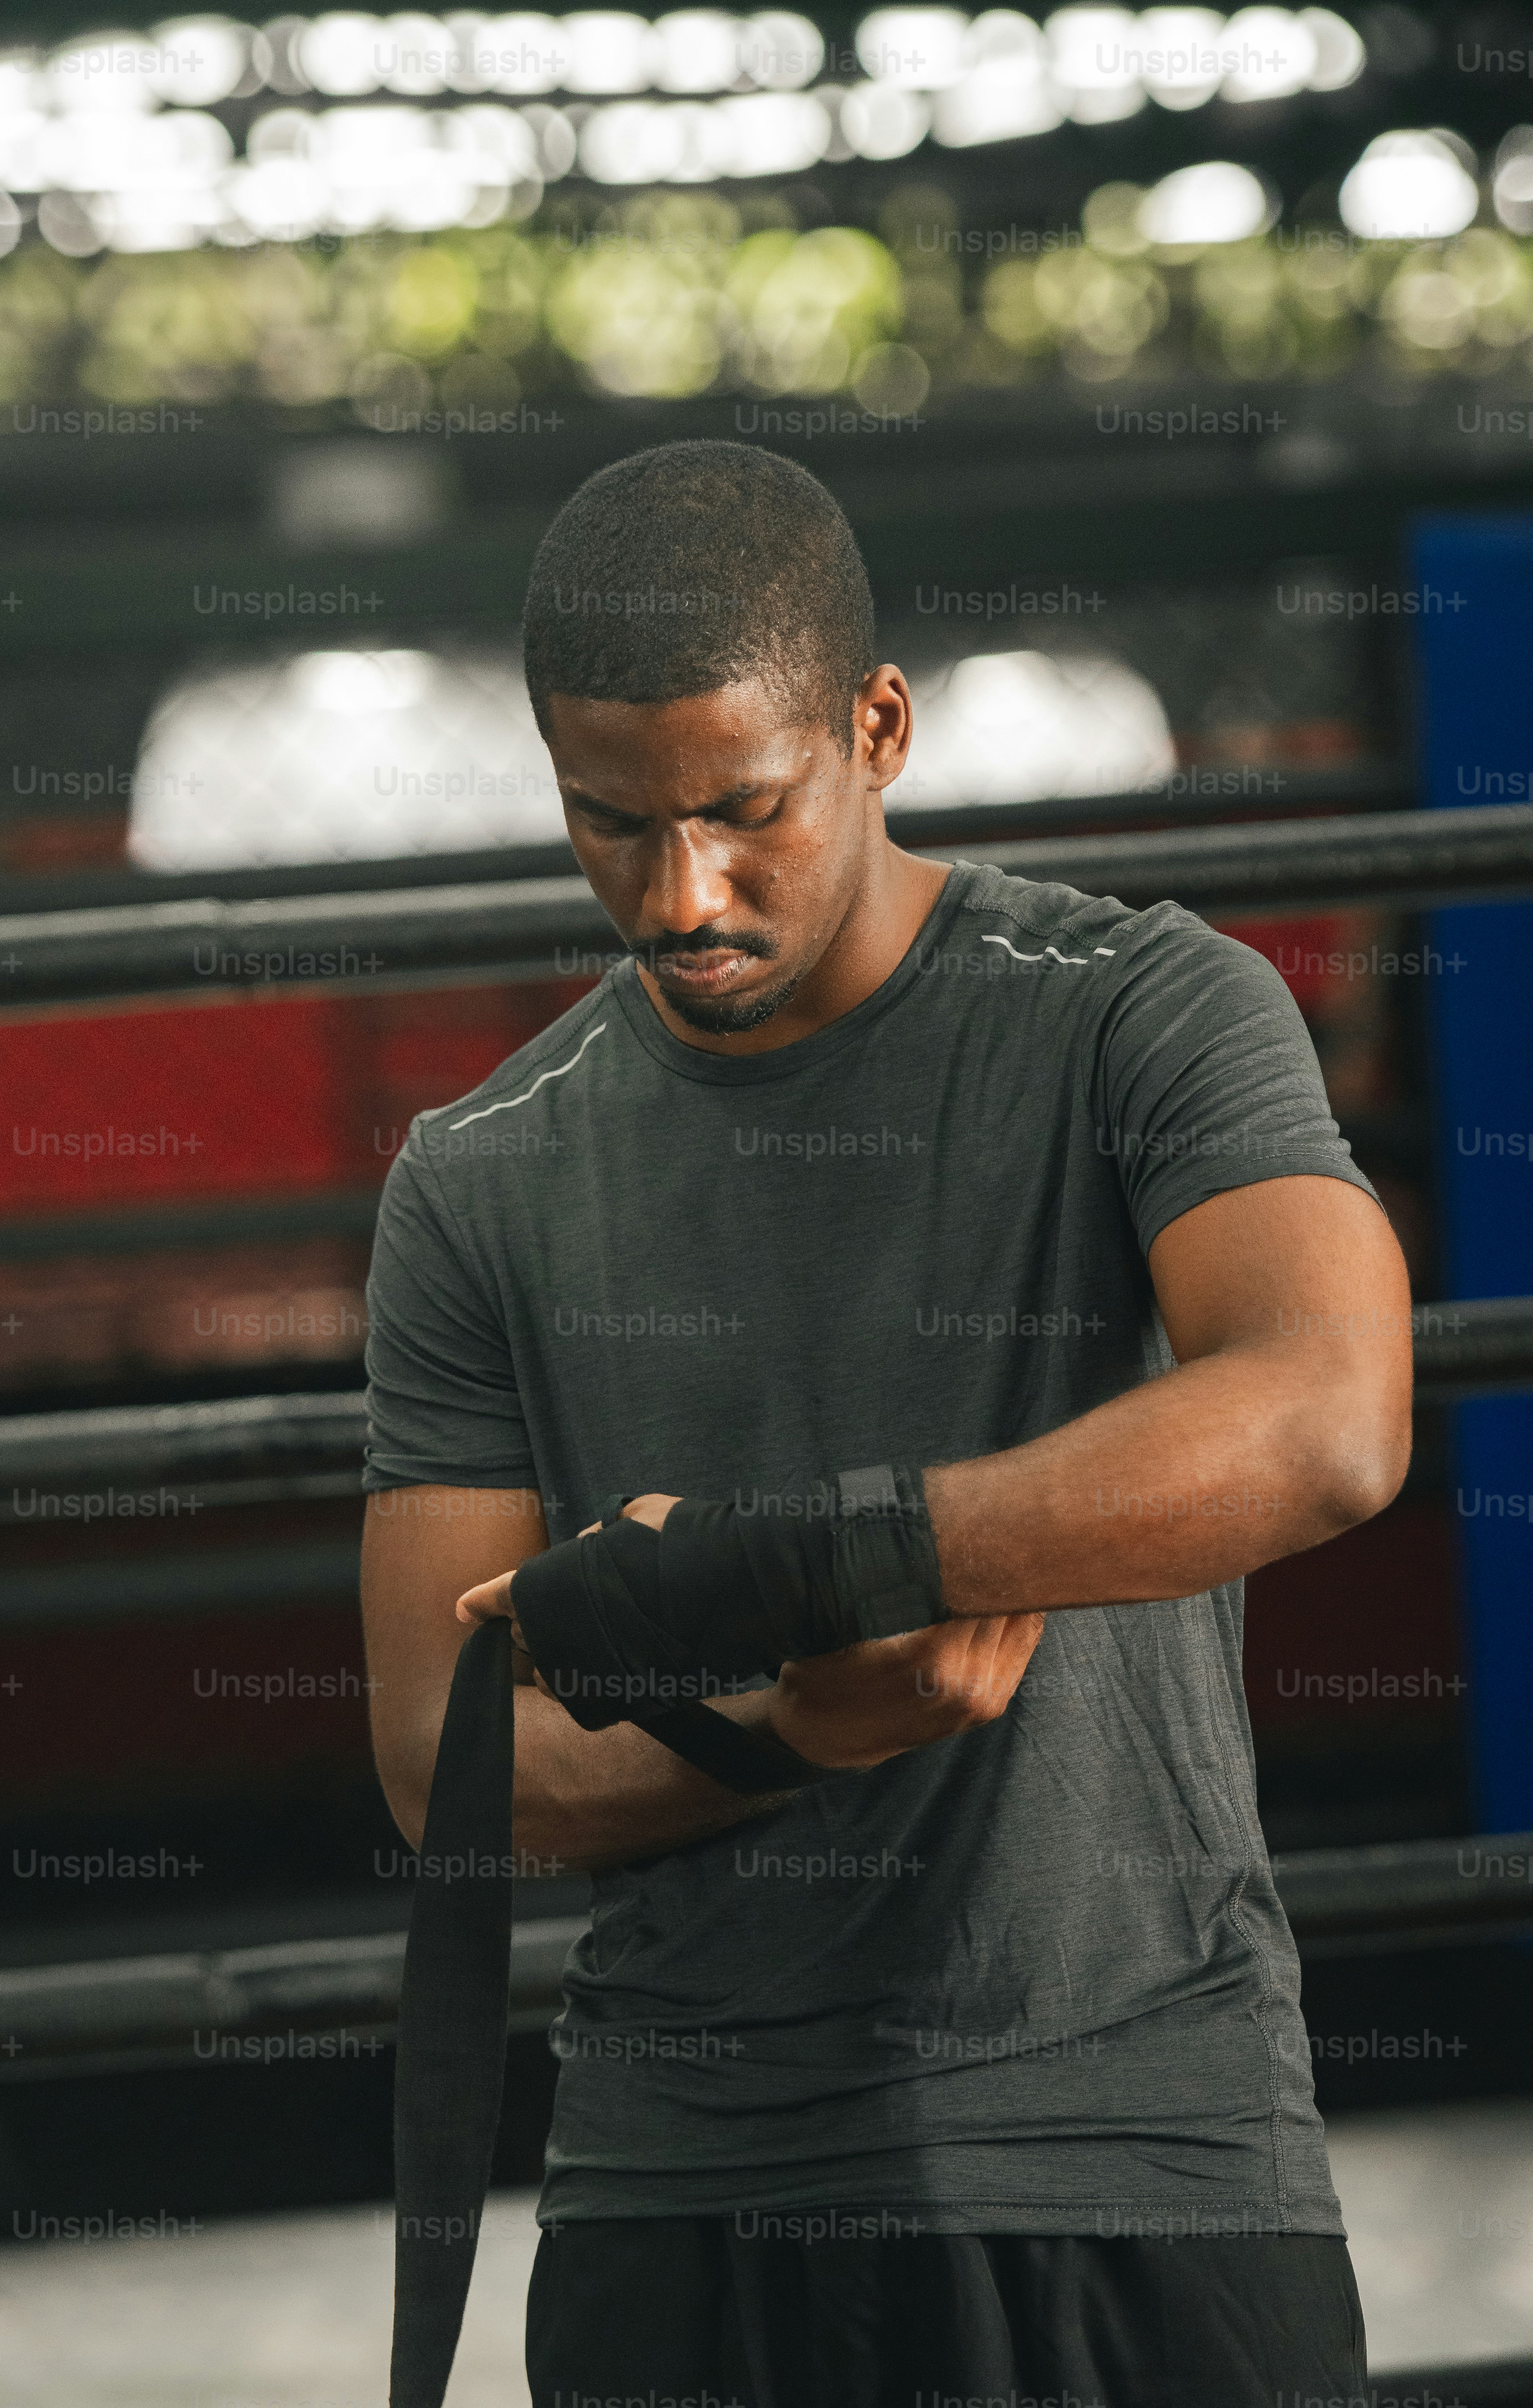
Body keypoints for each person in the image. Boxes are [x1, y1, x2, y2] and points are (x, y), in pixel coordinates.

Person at [360, 440, 1411, 2408]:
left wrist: (811, 1562)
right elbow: (444, 1762)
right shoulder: (480, 1175)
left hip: (1135, 2143)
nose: (681, 894)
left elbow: (1329, 1416)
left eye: (743, 812)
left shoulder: (1139, 1010)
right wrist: (792, 1731)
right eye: (611, 822)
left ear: (878, 728)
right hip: (686, 2188)